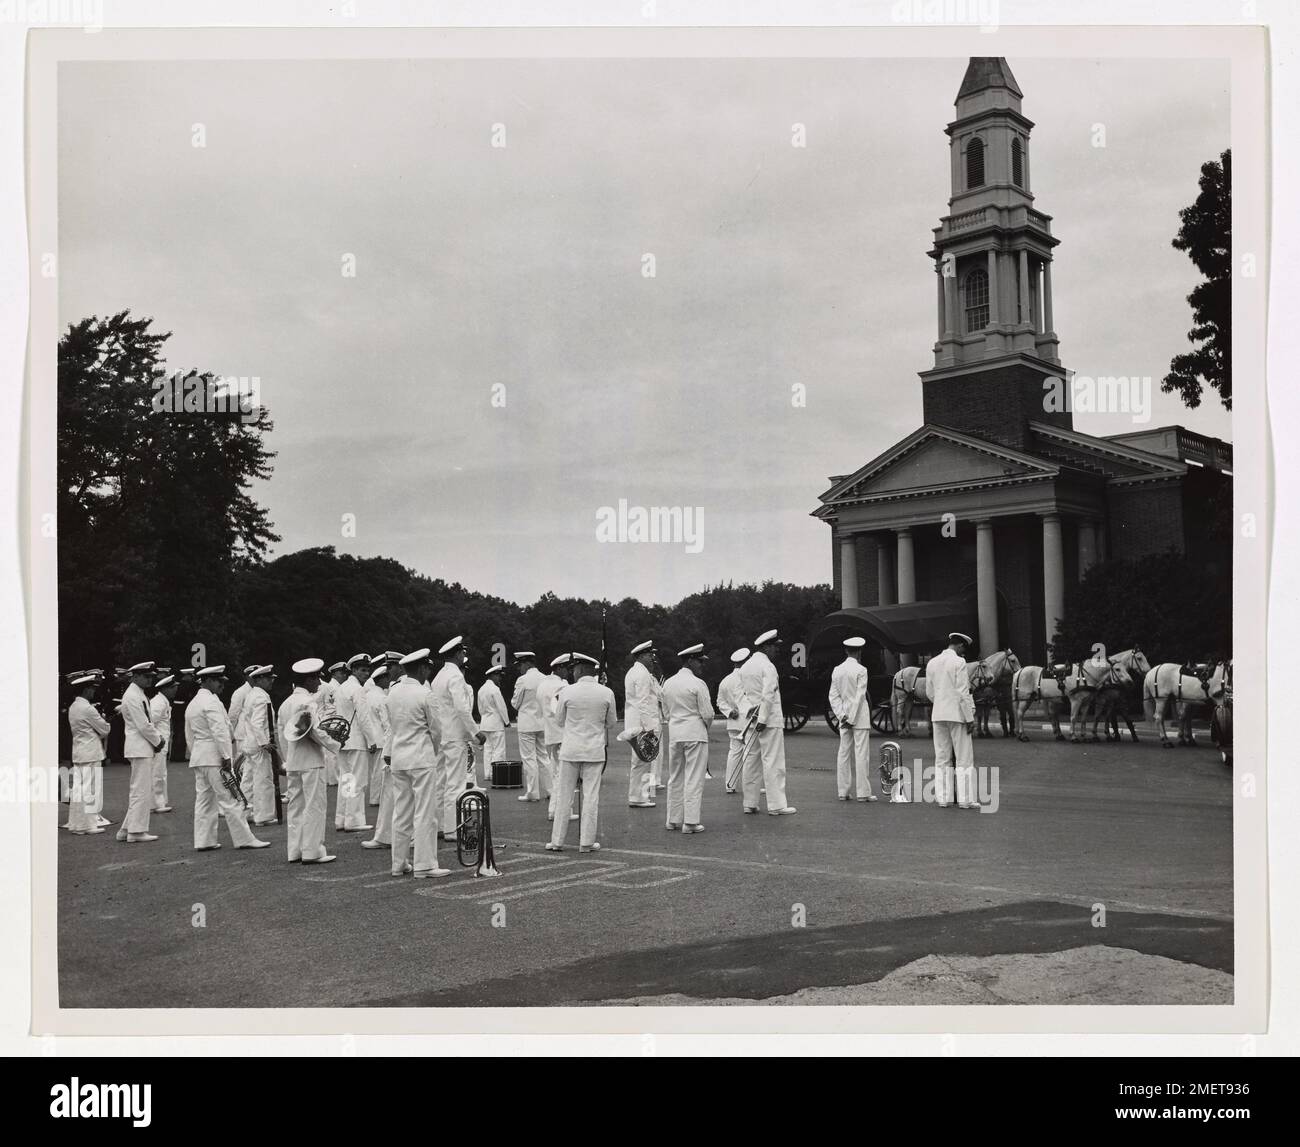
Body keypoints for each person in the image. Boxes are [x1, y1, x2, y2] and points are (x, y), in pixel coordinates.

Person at [184, 666, 271, 851]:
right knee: (232, 798)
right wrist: (226, 755)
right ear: (207, 681)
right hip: (215, 757)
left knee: (204, 800)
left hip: (201, 757)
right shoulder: (210, 702)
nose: (221, 685)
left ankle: (204, 840)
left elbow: (189, 734)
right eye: (218, 681)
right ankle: (244, 839)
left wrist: (195, 752)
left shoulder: (194, 703)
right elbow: (219, 731)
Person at [386, 648, 449, 878]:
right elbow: (437, 730)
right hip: (421, 757)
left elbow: (391, 727)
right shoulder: (425, 694)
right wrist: (431, 752)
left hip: (399, 757)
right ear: (422, 668)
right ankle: (425, 865)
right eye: (428, 669)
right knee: (425, 812)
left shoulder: (392, 693)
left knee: (401, 812)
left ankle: (398, 863)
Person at [546, 654, 617, 854]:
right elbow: (611, 723)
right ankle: (586, 842)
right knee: (591, 797)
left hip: (570, 749)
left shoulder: (567, 691)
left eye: (574, 669)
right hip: (594, 750)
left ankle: (557, 841)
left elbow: (559, 720)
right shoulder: (606, 692)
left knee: (564, 796)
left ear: (579, 670)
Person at [278, 658, 339, 864]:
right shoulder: (308, 702)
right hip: (311, 760)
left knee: (295, 807)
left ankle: (294, 851)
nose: (320, 684)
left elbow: (281, 734)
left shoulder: (286, 703)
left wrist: (287, 759)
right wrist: (336, 744)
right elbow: (315, 731)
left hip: (294, 761)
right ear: (309, 679)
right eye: (317, 679)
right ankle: (313, 851)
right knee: (315, 806)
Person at [430, 637, 486, 836]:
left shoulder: (438, 676)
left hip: (440, 736)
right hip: (454, 736)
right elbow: (461, 708)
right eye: (462, 653)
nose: (464, 656)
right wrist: (475, 731)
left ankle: (439, 825)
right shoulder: (455, 676)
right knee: (456, 783)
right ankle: (453, 829)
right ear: (456, 654)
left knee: (439, 783)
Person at [739, 630, 796, 816]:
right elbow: (769, 693)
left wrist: (749, 709)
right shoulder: (768, 666)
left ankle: (749, 803)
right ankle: (777, 805)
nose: (777, 651)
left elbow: (739, 694)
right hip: (769, 721)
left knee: (751, 761)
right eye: (775, 647)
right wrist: (763, 718)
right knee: (774, 761)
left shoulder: (746, 666)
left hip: (751, 720)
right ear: (766, 647)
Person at [661, 644, 714, 834]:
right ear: (690, 661)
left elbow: (665, 712)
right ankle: (691, 822)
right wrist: (704, 729)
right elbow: (707, 713)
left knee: (675, 776)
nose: (702, 665)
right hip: (695, 733)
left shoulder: (668, 683)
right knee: (694, 777)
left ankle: (672, 820)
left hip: (676, 734)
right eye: (699, 661)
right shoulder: (698, 684)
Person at [925, 632, 979, 809]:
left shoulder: (932, 662)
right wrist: (969, 717)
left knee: (942, 758)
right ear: (961, 646)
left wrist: (941, 703)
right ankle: (965, 800)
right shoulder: (959, 662)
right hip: (957, 714)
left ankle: (943, 798)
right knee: (964, 758)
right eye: (964, 649)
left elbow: (929, 693)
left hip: (938, 713)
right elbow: (963, 691)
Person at [118, 661, 164, 843]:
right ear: (135, 676)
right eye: (146, 677)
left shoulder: (137, 694)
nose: (149, 680)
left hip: (140, 746)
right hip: (140, 746)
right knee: (141, 790)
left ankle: (126, 829)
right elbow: (143, 724)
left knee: (139, 789)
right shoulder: (133, 695)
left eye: (151, 677)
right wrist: (158, 740)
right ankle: (136, 832)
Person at [829, 636, 877, 802]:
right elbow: (860, 695)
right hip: (859, 717)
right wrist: (852, 717)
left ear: (846, 651)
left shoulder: (837, 670)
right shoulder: (862, 670)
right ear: (859, 652)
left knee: (843, 753)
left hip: (843, 718)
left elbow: (833, 696)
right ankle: (863, 793)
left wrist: (842, 715)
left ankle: (843, 791)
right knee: (861, 753)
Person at [334, 653, 378, 832]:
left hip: (343, 740)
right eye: (362, 670)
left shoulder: (341, 688)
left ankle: (342, 818)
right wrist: (372, 739)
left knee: (346, 780)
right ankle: (354, 821)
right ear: (353, 670)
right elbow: (363, 717)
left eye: (367, 670)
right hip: (357, 739)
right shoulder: (358, 689)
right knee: (357, 781)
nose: (366, 673)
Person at [66, 673, 110, 835]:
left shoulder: (73, 707)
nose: (93, 692)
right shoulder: (88, 708)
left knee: (78, 789)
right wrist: (104, 720)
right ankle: (89, 824)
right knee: (90, 789)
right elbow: (104, 729)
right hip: (91, 752)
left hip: (79, 751)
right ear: (85, 690)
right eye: (91, 688)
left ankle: (77, 824)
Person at [238, 665, 280, 826]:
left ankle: (244, 813)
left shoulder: (252, 695)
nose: (271, 682)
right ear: (259, 680)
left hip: (250, 743)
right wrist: (265, 743)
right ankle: (263, 816)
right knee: (263, 779)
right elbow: (257, 723)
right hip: (258, 745)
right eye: (269, 679)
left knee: (248, 781)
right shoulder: (262, 697)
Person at [623, 640, 661, 808]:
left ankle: (643, 795)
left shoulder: (636, 672)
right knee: (643, 761)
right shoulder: (642, 674)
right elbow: (643, 702)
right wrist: (649, 728)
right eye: (650, 655)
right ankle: (639, 797)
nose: (652, 658)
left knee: (644, 761)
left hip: (637, 721)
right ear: (642, 656)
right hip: (642, 723)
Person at [538, 654, 574, 822]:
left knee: (556, 773)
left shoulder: (542, 685)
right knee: (563, 775)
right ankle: (558, 810)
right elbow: (560, 711)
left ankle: (557, 809)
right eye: (567, 668)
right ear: (559, 668)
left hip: (550, 734)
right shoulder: (561, 686)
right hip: (562, 734)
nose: (569, 672)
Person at [511, 651, 546, 803]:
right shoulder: (544, 678)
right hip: (542, 722)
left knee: (529, 759)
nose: (519, 668)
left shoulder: (522, 680)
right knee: (544, 758)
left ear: (526, 664)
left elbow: (515, 703)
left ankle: (533, 792)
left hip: (527, 723)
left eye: (520, 665)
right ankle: (551, 790)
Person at [715, 647, 750, 794]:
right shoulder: (747, 677)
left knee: (734, 752)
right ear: (746, 661)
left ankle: (730, 784)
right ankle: (750, 785)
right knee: (750, 755)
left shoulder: (725, 680)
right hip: (747, 721)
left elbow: (720, 702)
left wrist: (730, 712)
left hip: (734, 721)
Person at [149, 673, 180, 813]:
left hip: (161, 743)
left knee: (160, 773)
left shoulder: (162, 701)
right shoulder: (159, 702)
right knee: (157, 773)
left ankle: (158, 801)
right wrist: (158, 741)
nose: (175, 690)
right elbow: (150, 723)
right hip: (158, 744)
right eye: (173, 687)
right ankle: (156, 803)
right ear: (165, 689)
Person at [476, 664, 510, 786]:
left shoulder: (481, 689)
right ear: (493, 675)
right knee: (498, 749)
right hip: (496, 723)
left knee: (488, 749)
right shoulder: (495, 689)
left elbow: (480, 708)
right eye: (498, 676)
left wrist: (484, 717)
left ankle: (488, 774)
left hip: (485, 723)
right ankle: (497, 773)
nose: (500, 679)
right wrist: (506, 721)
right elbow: (501, 706)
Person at [320, 661, 348, 786]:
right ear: (335, 674)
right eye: (341, 673)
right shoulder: (331, 687)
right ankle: (333, 778)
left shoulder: (333, 686)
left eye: (344, 673)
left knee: (331, 754)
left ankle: (331, 777)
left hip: (329, 720)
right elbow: (331, 708)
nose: (344, 676)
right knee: (332, 754)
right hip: (330, 720)